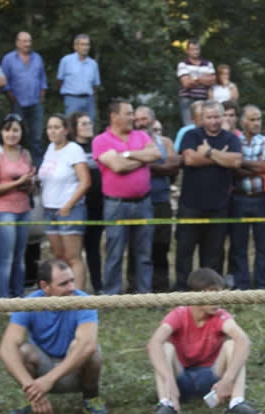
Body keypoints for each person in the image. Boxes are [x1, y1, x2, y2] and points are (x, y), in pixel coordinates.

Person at [147, 267, 264, 414]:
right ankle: (167, 405)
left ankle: (237, 404)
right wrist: (169, 380)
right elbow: (153, 343)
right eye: (211, 293)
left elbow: (243, 340)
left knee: (233, 344)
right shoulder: (179, 314)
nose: (217, 299)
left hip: (212, 380)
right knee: (165, 348)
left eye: (219, 293)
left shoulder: (220, 316)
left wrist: (227, 380)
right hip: (180, 378)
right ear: (195, 296)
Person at [0, 259, 107, 414]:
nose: (71, 288)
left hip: (74, 369)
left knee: (91, 349)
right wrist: (30, 388)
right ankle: (32, 398)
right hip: (42, 369)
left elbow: (88, 345)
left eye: (72, 281)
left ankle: (91, 397)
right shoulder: (28, 303)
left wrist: (49, 379)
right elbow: (6, 348)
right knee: (21, 351)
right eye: (63, 284)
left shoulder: (83, 300)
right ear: (44, 287)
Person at [92, 100, 160, 295]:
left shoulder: (141, 135)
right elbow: (117, 167)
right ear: (114, 116)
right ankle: (112, 294)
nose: (133, 118)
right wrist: (141, 159)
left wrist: (127, 154)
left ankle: (144, 293)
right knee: (114, 252)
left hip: (143, 202)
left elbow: (156, 154)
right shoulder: (101, 140)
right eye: (128, 114)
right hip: (116, 204)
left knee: (144, 253)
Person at [175, 101, 243, 290]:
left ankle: (211, 291)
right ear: (201, 118)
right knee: (184, 250)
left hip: (219, 205)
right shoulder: (191, 135)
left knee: (214, 252)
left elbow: (236, 161)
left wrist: (209, 152)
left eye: (217, 116)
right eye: (209, 117)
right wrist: (222, 157)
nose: (213, 121)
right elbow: (189, 159)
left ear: (223, 117)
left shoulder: (231, 138)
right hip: (191, 204)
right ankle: (183, 291)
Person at [0, 114, 35, 298]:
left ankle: (19, 296)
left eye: (16, 130)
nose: (11, 134)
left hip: (23, 208)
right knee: (5, 257)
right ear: (1, 132)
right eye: (8, 130)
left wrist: (30, 183)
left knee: (19, 257)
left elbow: (29, 186)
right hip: (1, 210)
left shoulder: (25, 153)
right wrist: (18, 182)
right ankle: (3, 298)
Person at [40, 113, 90, 289]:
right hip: (50, 210)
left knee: (73, 257)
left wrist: (68, 205)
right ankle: (63, 293)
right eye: (49, 127)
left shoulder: (74, 150)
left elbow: (85, 181)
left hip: (70, 209)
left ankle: (78, 299)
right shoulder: (49, 149)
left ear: (66, 130)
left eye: (56, 127)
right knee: (59, 256)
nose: (52, 131)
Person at [134, 106, 180, 292]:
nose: (141, 123)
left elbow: (173, 166)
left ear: (153, 121)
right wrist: (157, 164)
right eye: (137, 119)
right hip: (139, 200)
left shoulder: (165, 141)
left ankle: (161, 287)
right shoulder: (131, 142)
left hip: (161, 200)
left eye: (144, 119)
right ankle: (136, 287)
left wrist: (142, 164)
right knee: (138, 248)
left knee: (161, 246)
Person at [229, 104, 265, 291]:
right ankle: (242, 285)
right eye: (252, 119)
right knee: (239, 245)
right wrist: (251, 168)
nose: (257, 123)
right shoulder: (234, 141)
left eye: (258, 119)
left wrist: (241, 163)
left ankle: (262, 285)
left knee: (263, 245)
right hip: (238, 198)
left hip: (261, 198)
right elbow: (232, 169)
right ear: (243, 121)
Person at [70, 112, 105, 293]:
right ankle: (72, 287)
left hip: (97, 204)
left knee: (93, 248)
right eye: (83, 123)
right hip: (77, 204)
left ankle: (98, 286)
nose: (88, 126)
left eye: (89, 122)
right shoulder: (71, 148)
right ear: (74, 128)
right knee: (74, 252)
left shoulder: (97, 145)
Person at [1, 32, 48, 163]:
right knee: (18, 135)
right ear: (17, 43)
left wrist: (42, 95)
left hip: (35, 103)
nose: (27, 44)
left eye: (29, 41)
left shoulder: (37, 58)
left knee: (37, 136)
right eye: (24, 41)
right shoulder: (8, 59)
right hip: (17, 103)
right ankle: (19, 164)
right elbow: (4, 82)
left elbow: (43, 78)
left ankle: (38, 167)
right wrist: (12, 99)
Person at [57, 33, 101, 122]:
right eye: (82, 44)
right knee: (71, 125)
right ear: (75, 46)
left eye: (87, 44)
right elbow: (59, 81)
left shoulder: (93, 64)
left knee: (89, 126)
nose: (85, 47)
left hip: (88, 100)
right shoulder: (66, 61)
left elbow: (95, 85)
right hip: (72, 99)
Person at [176, 39, 216, 126]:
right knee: (189, 125)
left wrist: (193, 78)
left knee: (205, 124)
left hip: (204, 99)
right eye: (192, 49)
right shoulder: (183, 64)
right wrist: (203, 78)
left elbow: (212, 80)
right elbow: (185, 83)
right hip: (188, 99)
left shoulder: (208, 64)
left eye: (197, 49)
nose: (195, 51)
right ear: (187, 51)